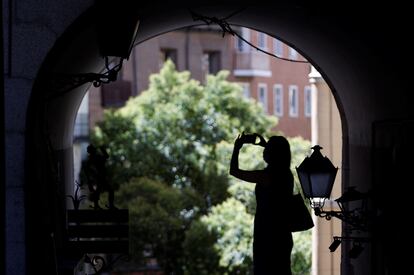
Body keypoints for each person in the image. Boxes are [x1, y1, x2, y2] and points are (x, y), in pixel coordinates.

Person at [230, 133, 293, 275]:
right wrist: (265, 144)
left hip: (267, 235)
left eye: (268, 148)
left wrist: (237, 147)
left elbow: (234, 171)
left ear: (272, 153)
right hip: (282, 234)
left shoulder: (267, 176)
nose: (265, 151)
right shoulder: (286, 175)